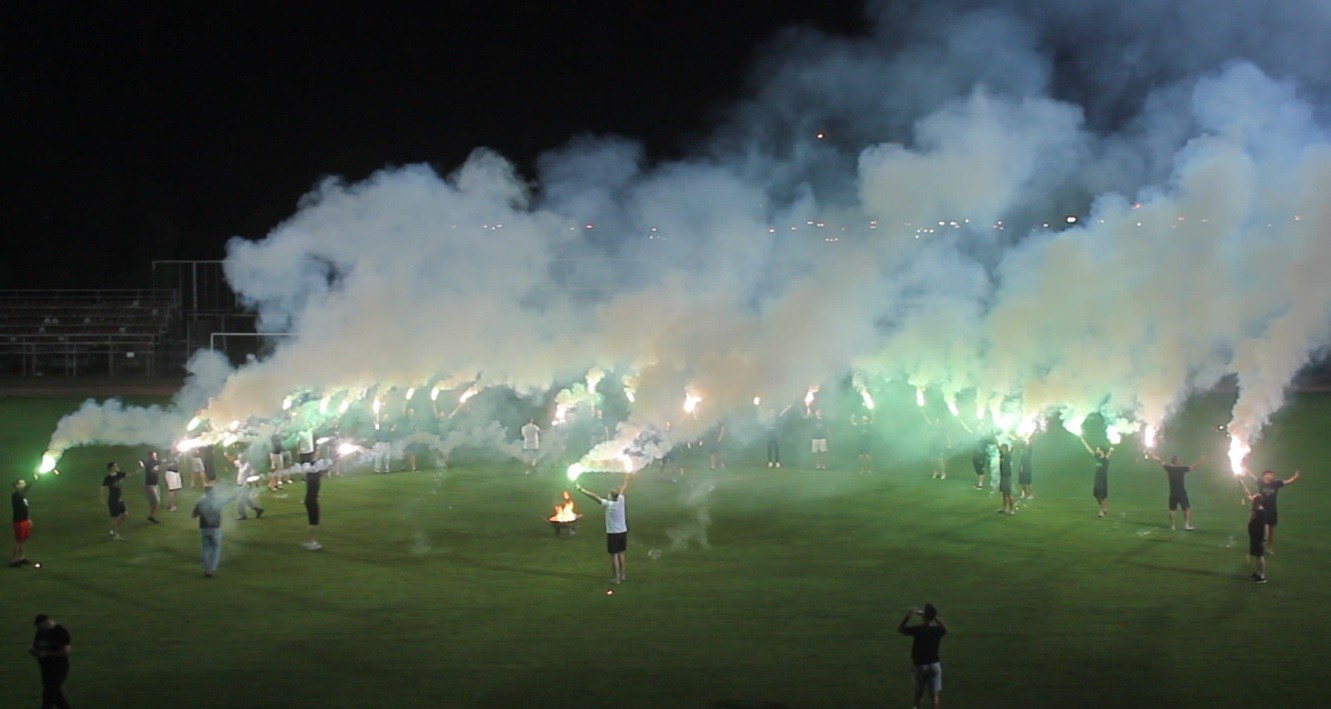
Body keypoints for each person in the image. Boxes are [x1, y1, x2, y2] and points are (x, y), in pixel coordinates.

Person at [576, 474, 630, 584]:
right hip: (623, 532)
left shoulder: (608, 504)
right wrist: (626, 480)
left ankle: (616, 578)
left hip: (613, 534)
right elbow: (623, 489)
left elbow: (594, 497)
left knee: (614, 556)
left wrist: (582, 490)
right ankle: (623, 575)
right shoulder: (621, 500)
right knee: (621, 554)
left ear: (611, 497)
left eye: (609, 495)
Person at [898, 604, 947, 709]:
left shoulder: (918, 629)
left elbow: (901, 629)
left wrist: (908, 616)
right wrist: (934, 617)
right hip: (934, 664)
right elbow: (944, 628)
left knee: (919, 695)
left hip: (920, 665)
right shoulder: (937, 630)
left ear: (924, 617)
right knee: (934, 696)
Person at [1243, 469, 1301, 554]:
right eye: (1269, 474)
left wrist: (1296, 476)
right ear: (1265, 476)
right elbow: (1252, 476)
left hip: (1272, 510)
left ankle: (1269, 547)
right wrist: (1245, 469)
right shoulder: (1261, 483)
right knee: (1260, 528)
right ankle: (1259, 545)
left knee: (1271, 530)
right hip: (1261, 510)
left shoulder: (1276, 483)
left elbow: (1288, 482)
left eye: (1272, 474)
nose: (1271, 476)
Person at [1150, 453, 1205, 530]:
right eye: (1179, 459)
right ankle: (1187, 525)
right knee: (1187, 508)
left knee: (1172, 509)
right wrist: (1201, 460)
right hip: (1181, 492)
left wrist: (1153, 456)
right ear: (1175, 461)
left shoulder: (1169, 468)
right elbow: (1193, 467)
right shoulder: (1181, 469)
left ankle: (1173, 526)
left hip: (1173, 493)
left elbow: (1161, 461)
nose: (1180, 460)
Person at [191, 483, 235, 577]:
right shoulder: (217, 501)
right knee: (216, 549)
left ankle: (206, 569)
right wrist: (236, 494)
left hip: (204, 528)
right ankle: (212, 569)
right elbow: (228, 500)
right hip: (215, 529)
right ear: (213, 493)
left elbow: (193, 515)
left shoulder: (201, 502)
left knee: (206, 549)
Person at [30, 614, 72, 708]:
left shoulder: (61, 632)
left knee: (48, 695)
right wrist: (34, 651)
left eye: (41, 627)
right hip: (45, 669)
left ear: (47, 623)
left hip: (58, 669)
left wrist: (46, 654)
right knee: (56, 696)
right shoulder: (41, 631)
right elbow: (35, 645)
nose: (40, 630)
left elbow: (65, 652)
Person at [1080, 437, 1114, 518]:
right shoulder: (1097, 457)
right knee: (1096, 495)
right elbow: (1089, 450)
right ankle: (1104, 507)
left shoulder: (1105, 459)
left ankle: (1101, 511)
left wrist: (1111, 449)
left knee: (1102, 495)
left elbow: (1110, 453)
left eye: (1098, 449)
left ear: (1102, 451)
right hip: (1097, 479)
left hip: (1103, 480)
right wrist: (1083, 441)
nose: (1096, 450)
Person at [99, 461, 128, 540]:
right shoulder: (108, 478)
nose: (117, 467)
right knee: (116, 518)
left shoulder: (119, 474)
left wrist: (140, 468)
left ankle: (113, 529)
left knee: (125, 514)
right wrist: (101, 499)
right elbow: (102, 488)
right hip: (113, 500)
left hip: (119, 499)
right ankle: (116, 534)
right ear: (111, 468)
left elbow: (131, 474)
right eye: (115, 466)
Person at [12, 478, 34, 567]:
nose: (24, 484)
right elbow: (21, 492)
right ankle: (13, 561)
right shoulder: (15, 495)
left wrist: (28, 519)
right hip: (19, 521)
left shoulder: (23, 494)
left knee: (23, 541)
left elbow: (25, 508)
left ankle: (22, 558)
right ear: (17, 485)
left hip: (24, 521)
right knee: (18, 541)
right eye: (21, 483)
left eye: (24, 483)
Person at [1247, 495, 1268, 583]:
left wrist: (1264, 539)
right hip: (1254, 536)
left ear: (1257, 502)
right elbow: (1247, 494)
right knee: (1257, 556)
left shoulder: (1262, 512)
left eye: (1253, 499)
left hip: (1259, 537)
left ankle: (1262, 576)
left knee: (1260, 556)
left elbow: (1265, 526)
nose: (1251, 500)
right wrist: (1241, 483)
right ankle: (1257, 573)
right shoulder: (1255, 508)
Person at [139, 449, 163, 524]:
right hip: (150, 485)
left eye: (155, 455)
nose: (155, 456)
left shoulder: (156, 462)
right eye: (153, 455)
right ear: (150, 456)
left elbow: (163, 463)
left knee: (155, 503)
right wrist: (160, 469)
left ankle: (151, 517)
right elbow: (153, 470)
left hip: (156, 484)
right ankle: (151, 517)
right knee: (156, 502)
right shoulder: (149, 463)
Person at [303, 466, 324, 550]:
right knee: (313, 522)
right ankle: (311, 542)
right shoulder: (314, 479)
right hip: (312, 501)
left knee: (313, 522)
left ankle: (311, 541)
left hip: (309, 500)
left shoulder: (310, 477)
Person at [996, 443, 1015, 515]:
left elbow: (1013, 449)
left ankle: (1012, 509)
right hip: (1002, 476)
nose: (1001, 449)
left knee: (1009, 494)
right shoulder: (1002, 455)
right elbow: (997, 446)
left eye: (1003, 448)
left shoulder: (1008, 455)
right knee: (1004, 494)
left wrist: (1015, 441)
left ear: (1006, 449)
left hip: (1007, 477)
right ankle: (1005, 508)